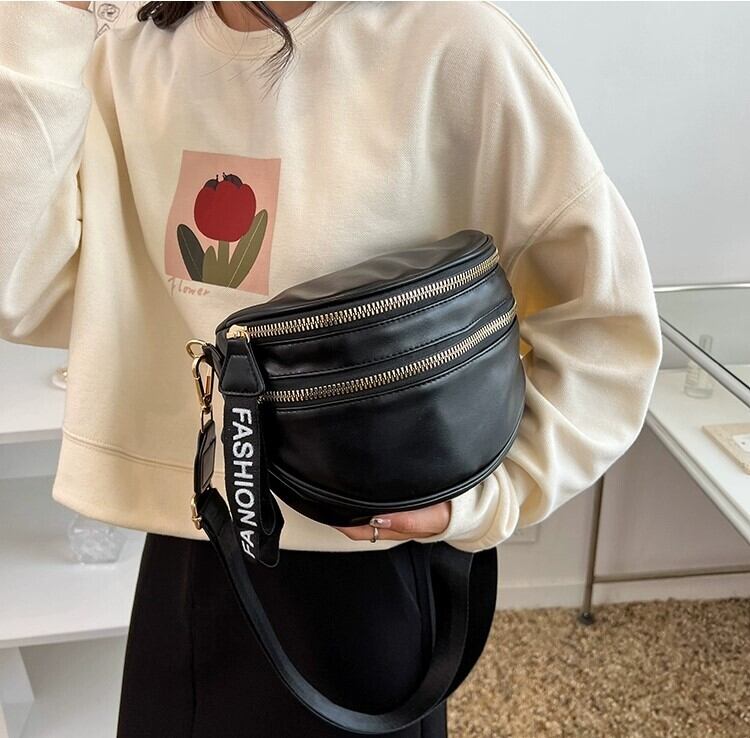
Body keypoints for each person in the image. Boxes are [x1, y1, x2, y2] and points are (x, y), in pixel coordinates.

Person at [0, 1, 663, 736]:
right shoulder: (129, 51)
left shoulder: (456, 44)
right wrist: (43, 18)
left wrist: (493, 495)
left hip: (368, 554)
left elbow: (605, 325)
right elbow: (19, 292)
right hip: (194, 542)